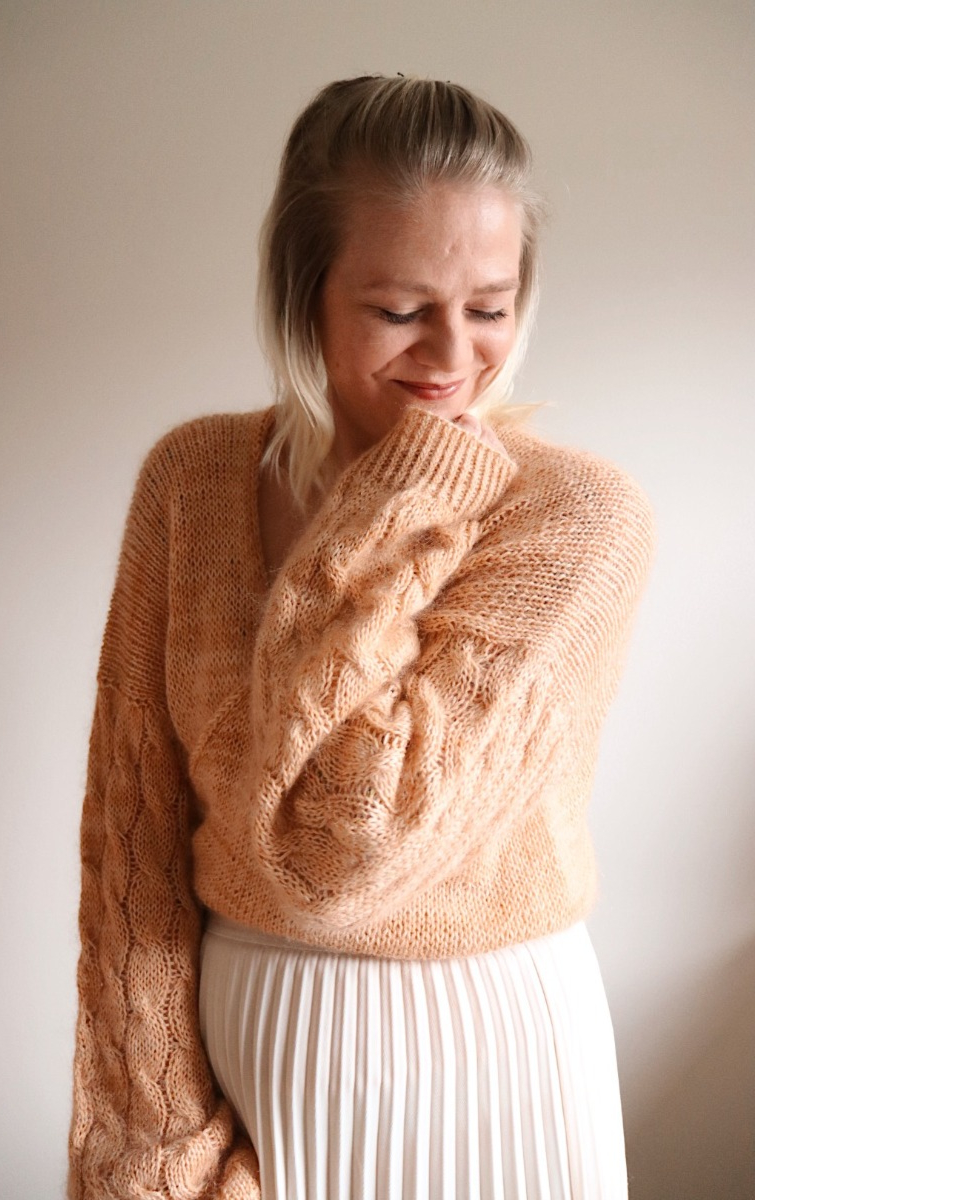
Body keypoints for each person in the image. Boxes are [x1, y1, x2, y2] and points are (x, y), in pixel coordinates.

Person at [67, 76, 654, 1200]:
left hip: (500, 1065)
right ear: (306, 297)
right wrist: (152, 1145)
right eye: (399, 310)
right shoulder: (193, 483)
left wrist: (397, 497)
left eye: (490, 307)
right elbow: (131, 836)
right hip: (262, 1049)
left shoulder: (578, 518)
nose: (454, 353)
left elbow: (346, 855)